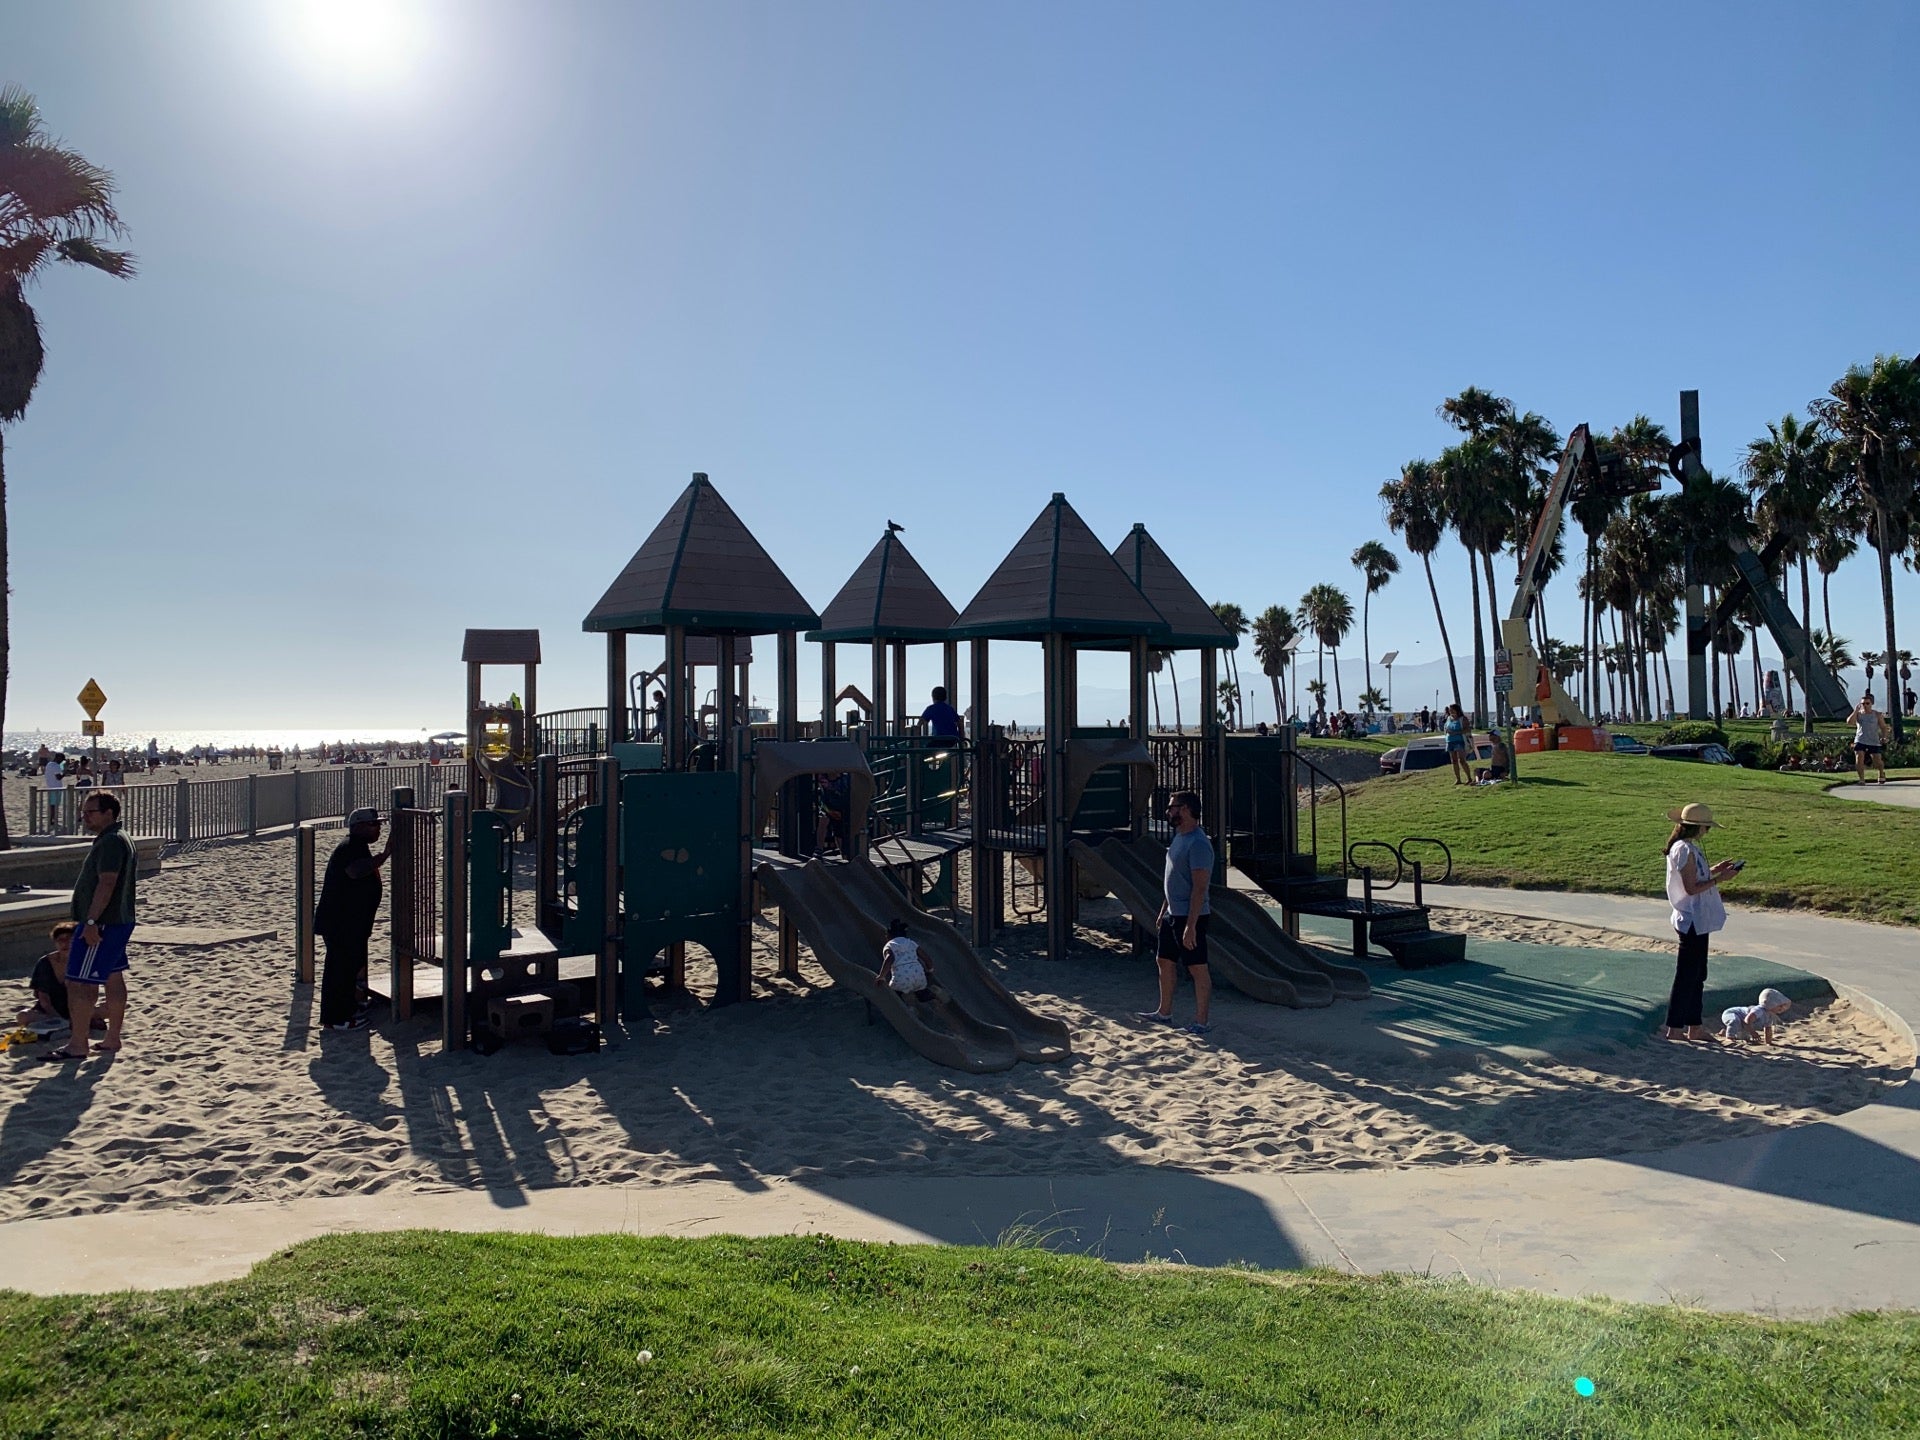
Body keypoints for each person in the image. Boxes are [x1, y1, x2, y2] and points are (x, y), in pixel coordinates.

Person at [45, 792, 138, 1061]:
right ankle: (112, 1038)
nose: (84, 817)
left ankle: (78, 1044)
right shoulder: (120, 837)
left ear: (108, 812)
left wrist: (89, 922)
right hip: (118, 921)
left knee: (78, 982)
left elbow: (106, 883)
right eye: (83, 813)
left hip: (103, 924)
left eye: (90, 812)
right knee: (113, 975)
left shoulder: (111, 841)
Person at [1139, 789, 1214, 1035]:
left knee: (1196, 967)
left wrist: (1191, 926)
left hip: (1191, 916)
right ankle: (1164, 1012)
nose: (1168, 811)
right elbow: (1173, 881)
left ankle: (1201, 1021)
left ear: (1185, 810)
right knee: (1164, 960)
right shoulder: (1179, 838)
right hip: (1173, 913)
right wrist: (1164, 910)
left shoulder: (1199, 844)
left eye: (1172, 807)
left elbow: (1199, 889)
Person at [1663, 802, 1739, 1042]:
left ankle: (1693, 1026)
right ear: (1699, 827)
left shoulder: (1686, 847)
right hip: (1691, 919)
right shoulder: (1683, 849)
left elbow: (1692, 877)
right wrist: (1720, 879)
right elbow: (1691, 888)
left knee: (1697, 974)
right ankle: (1675, 1028)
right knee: (1687, 975)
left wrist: (1714, 869)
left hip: (1697, 919)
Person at [312, 807, 391, 1031]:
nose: (378, 829)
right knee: (340, 970)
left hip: (351, 923)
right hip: (340, 923)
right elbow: (354, 871)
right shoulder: (350, 847)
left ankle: (349, 1006)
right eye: (374, 824)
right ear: (359, 827)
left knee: (350, 967)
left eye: (379, 824)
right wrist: (383, 857)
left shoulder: (358, 846)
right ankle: (337, 1018)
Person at [15, 922, 104, 1035]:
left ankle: (75, 1023)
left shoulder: (85, 961)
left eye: (68, 939)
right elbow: (44, 999)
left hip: (79, 1008)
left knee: (108, 1008)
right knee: (23, 1016)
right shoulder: (45, 963)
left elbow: (92, 994)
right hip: (50, 1011)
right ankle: (69, 1024)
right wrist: (58, 1018)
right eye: (60, 940)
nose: (64, 943)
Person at [875, 918, 938, 1004]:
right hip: (919, 976)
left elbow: (889, 959)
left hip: (901, 978)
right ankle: (927, 997)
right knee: (920, 989)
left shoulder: (889, 946)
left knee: (894, 994)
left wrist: (881, 976)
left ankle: (903, 1006)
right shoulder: (911, 943)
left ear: (889, 935)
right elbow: (927, 959)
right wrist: (930, 971)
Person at [1720, 987, 1792, 1045]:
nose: (1781, 1009)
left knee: (1744, 1037)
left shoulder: (1770, 1015)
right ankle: (1729, 1038)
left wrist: (1768, 1042)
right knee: (1734, 1021)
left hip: (1744, 1025)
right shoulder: (1759, 1010)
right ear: (1770, 1004)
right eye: (1779, 1006)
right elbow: (1747, 1020)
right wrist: (1753, 1032)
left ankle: (1725, 1032)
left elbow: (1768, 1029)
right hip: (1732, 1014)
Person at [1848, 693, 1888, 785]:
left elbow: (1883, 727)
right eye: (1863, 704)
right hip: (1860, 740)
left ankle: (1881, 773)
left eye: (1867, 703)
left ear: (1871, 704)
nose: (1865, 705)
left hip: (1873, 741)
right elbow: (1849, 722)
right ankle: (1861, 779)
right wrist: (1855, 711)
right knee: (1859, 757)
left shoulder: (1877, 715)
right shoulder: (1858, 714)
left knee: (1877, 761)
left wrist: (1884, 737)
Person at [1443, 704, 1470, 785]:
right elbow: (1446, 728)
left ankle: (1469, 777)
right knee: (1454, 761)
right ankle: (1458, 779)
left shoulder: (1462, 719)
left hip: (1459, 741)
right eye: (1450, 710)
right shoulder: (1448, 718)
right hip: (1450, 741)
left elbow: (1467, 729)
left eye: (1452, 710)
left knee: (1462, 760)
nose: (1450, 711)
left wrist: (1456, 732)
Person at [42, 750, 63, 831]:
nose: (61, 761)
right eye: (61, 759)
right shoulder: (56, 766)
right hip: (56, 787)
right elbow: (58, 777)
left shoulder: (49, 764)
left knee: (52, 805)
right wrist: (64, 773)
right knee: (55, 805)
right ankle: (52, 820)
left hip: (50, 786)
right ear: (58, 758)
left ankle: (52, 819)